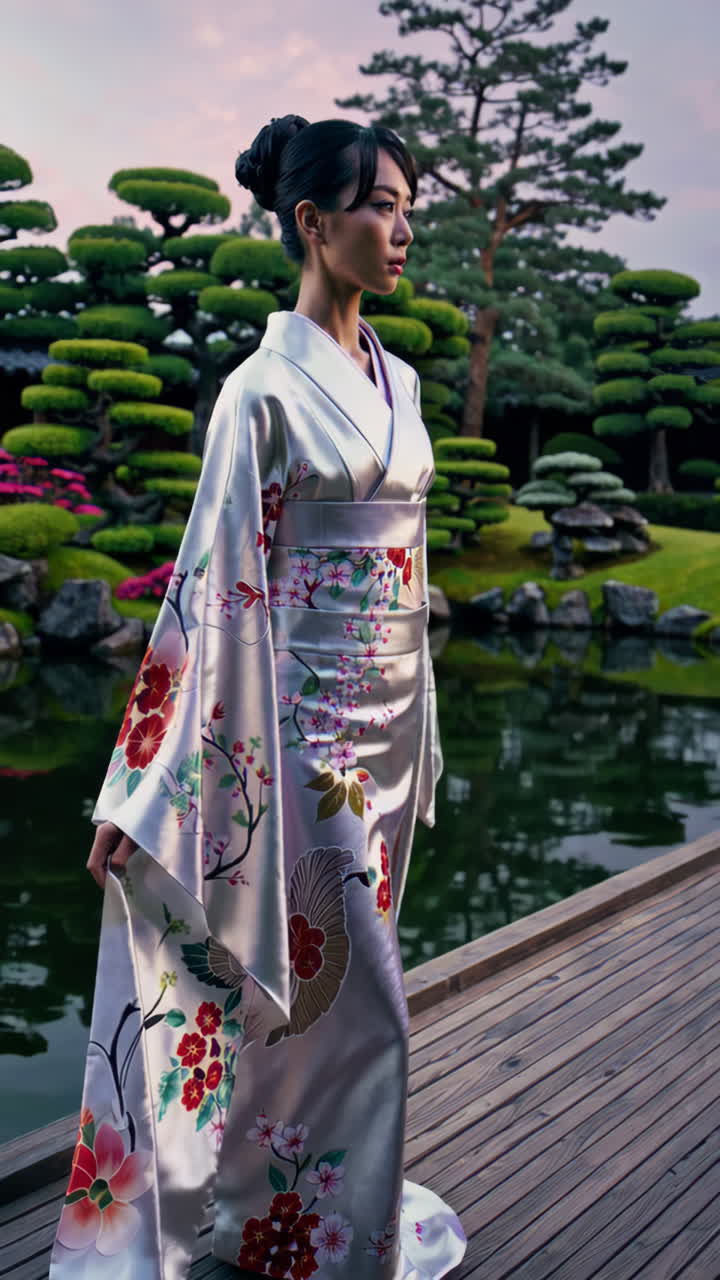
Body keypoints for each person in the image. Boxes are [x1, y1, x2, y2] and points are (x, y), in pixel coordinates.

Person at [49, 114, 467, 1280]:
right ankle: (320, 1241)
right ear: (311, 223)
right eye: (379, 204)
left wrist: (421, 707)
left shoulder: (404, 381)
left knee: (319, 1011)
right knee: (356, 998)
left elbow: (411, 565)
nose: (398, 229)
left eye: (406, 206)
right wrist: (141, 784)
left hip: (388, 727)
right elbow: (213, 582)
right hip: (298, 732)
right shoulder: (258, 393)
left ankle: (287, 1209)